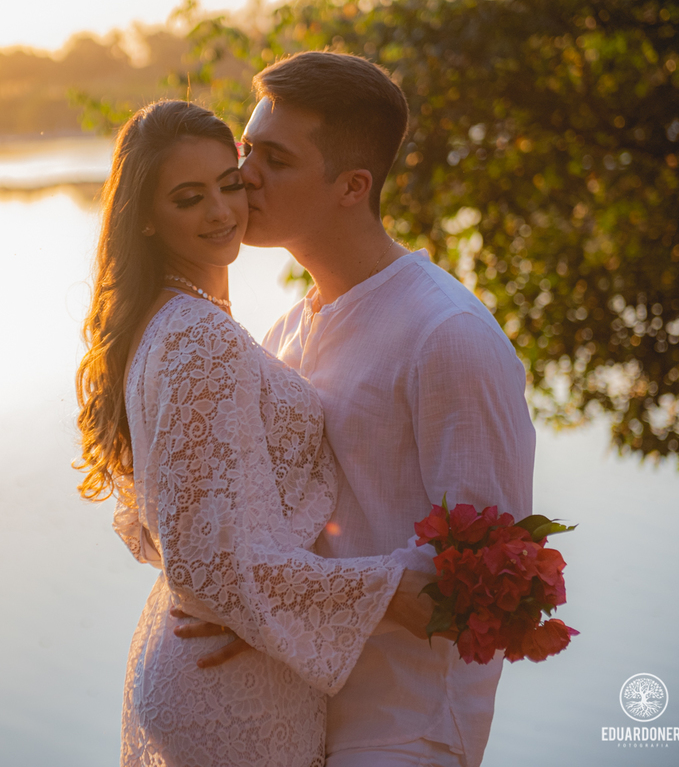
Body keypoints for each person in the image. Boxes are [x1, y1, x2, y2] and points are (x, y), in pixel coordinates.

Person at [172, 52, 536, 767]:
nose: (244, 175)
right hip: (291, 718)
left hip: (405, 728)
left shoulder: (446, 333)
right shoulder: (282, 333)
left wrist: (277, 604)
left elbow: (485, 576)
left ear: (352, 185)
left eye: (274, 157)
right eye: (246, 149)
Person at [74, 99, 440, 767]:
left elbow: (189, 535)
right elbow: (208, 564)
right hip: (229, 691)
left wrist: (250, 595)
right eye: (189, 197)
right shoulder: (198, 338)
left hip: (217, 657)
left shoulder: (170, 322)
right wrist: (389, 588)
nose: (221, 211)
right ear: (148, 218)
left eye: (229, 183)